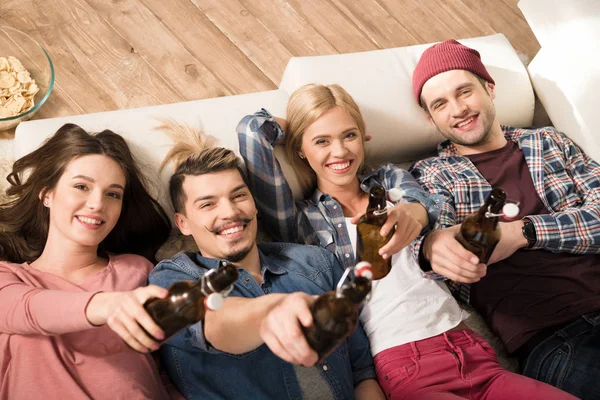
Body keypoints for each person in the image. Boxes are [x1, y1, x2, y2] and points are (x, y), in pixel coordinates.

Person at [237, 84, 575, 400]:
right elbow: (251, 131)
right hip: (406, 362)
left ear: (363, 137)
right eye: (321, 141)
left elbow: (426, 205)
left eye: (349, 135)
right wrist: (292, 126)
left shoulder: (389, 177)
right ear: (300, 150)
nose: (339, 151)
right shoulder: (299, 220)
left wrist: (411, 215)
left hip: (469, 346)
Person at [410, 39, 600, 399]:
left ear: (490, 89)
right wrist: (437, 247)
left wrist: (523, 232)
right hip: (556, 338)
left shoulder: (548, 141)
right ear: (430, 118)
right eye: (440, 104)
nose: (457, 109)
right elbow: (438, 246)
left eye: (464, 91)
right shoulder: (433, 174)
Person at [147, 121, 384, 399]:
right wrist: (274, 309)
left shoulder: (316, 262)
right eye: (208, 204)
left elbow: (362, 373)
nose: (231, 212)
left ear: (254, 203)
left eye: (239, 196)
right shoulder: (172, 278)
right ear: (183, 223)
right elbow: (212, 322)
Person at [0, 123, 175, 399]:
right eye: (82, 186)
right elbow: (28, 309)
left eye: (113, 194)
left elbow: (165, 366)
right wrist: (110, 304)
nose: (97, 204)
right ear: (47, 194)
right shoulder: (8, 278)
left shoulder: (138, 270)